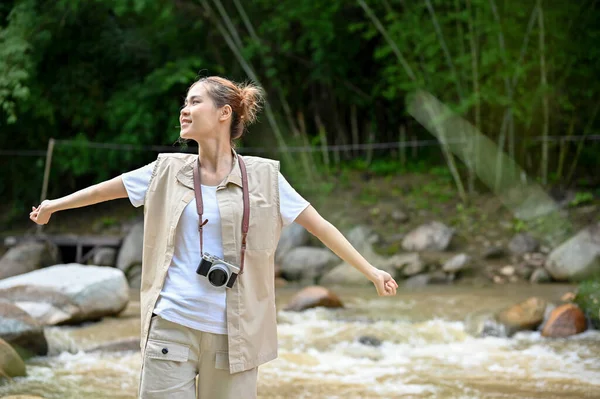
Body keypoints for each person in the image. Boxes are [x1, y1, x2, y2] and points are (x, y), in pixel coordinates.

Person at [29, 76, 399, 399]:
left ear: (224, 113)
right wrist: (53, 205)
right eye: (184, 103)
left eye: (195, 101)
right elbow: (107, 190)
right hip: (171, 324)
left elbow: (320, 226)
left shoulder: (265, 178)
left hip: (234, 335)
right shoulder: (167, 169)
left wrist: (371, 271)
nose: (184, 110)